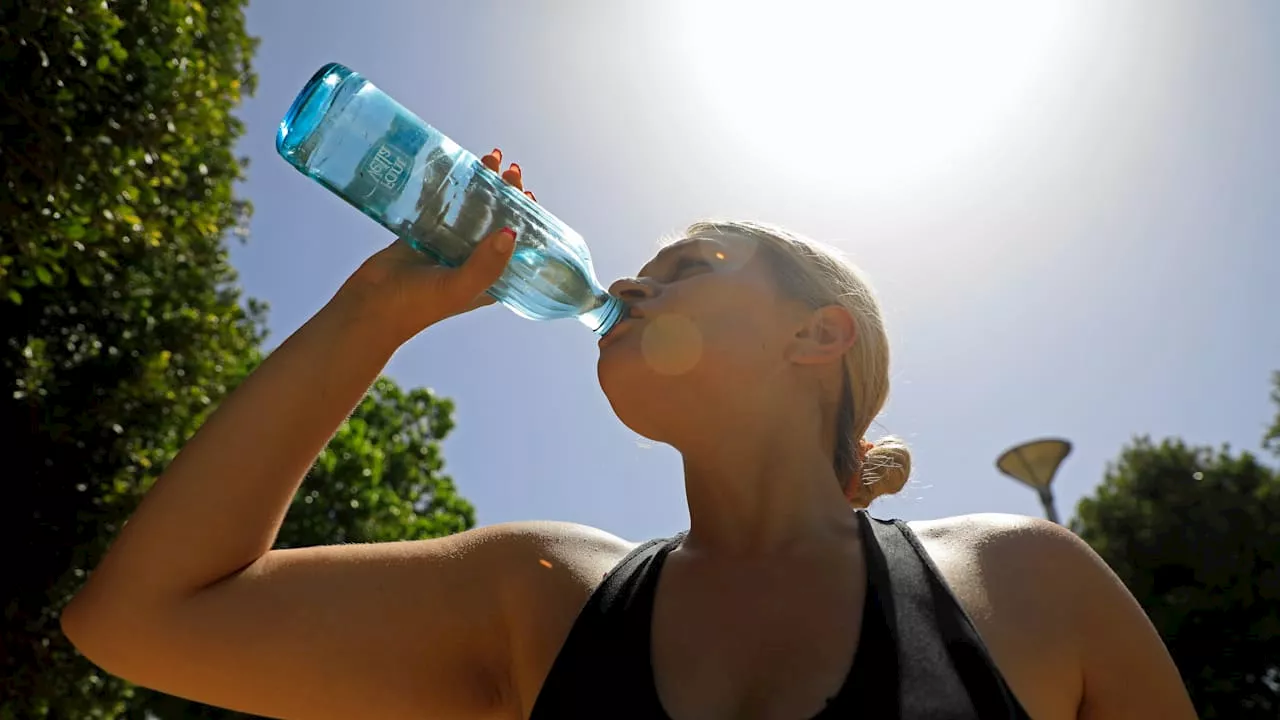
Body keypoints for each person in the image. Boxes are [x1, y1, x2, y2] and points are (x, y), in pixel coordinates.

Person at [61, 151, 1196, 720]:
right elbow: (137, 620)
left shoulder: (1023, 582)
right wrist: (377, 311)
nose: (619, 286)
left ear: (818, 335)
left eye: (684, 269)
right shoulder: (542, 594)